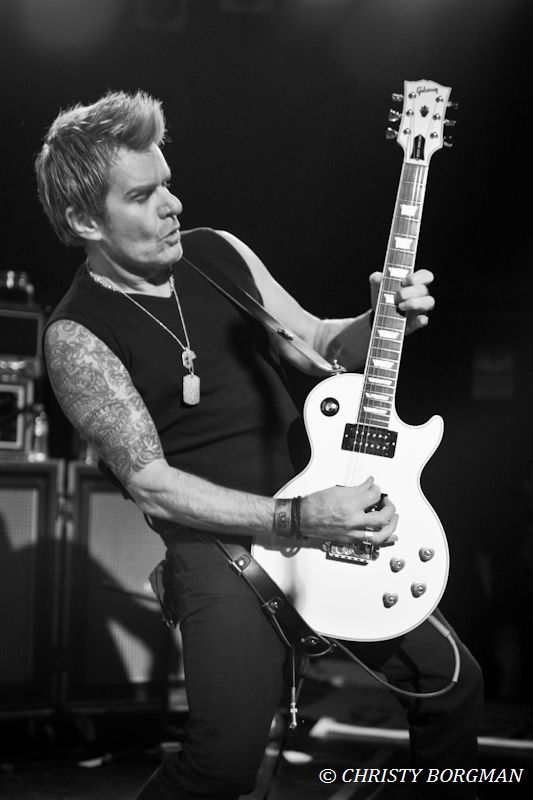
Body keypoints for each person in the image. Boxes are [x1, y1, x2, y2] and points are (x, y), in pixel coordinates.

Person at [35, 90, 483, 799]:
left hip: (321, 511)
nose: (172, 204)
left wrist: (381, 318)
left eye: (167, 183)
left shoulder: (216, 253)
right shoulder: (76, 336)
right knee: (222, 763)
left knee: (450, 685)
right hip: (221, 549)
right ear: (85, 220)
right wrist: (300, 520)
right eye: (143, 195)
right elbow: (152, 486)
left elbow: (319, 343)